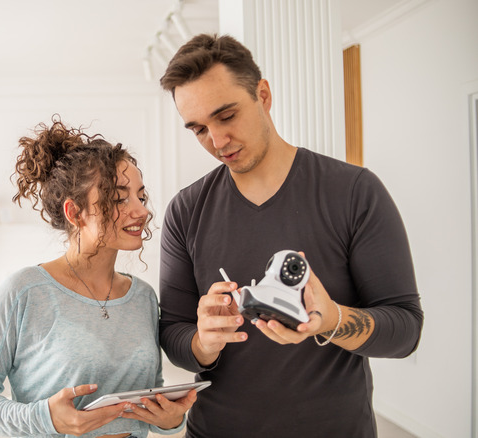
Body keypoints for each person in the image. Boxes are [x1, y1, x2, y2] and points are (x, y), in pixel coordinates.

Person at [156, 34, 424, 437]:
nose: (217, 141)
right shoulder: (185, 210)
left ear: (263, 95)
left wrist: (331, 319)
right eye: (198, 129)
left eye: (226, 116)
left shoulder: (354, 192)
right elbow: (173, 331)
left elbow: (405, 330)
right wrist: (203, 342)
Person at [0, 117, 196, 438]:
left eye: (141, 196)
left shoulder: (144, 297)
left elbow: (150, 398)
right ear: (74, 212)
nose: (141, 210)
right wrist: (46, 418)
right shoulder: (24, 291)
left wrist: (170, 420)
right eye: (119, 198)